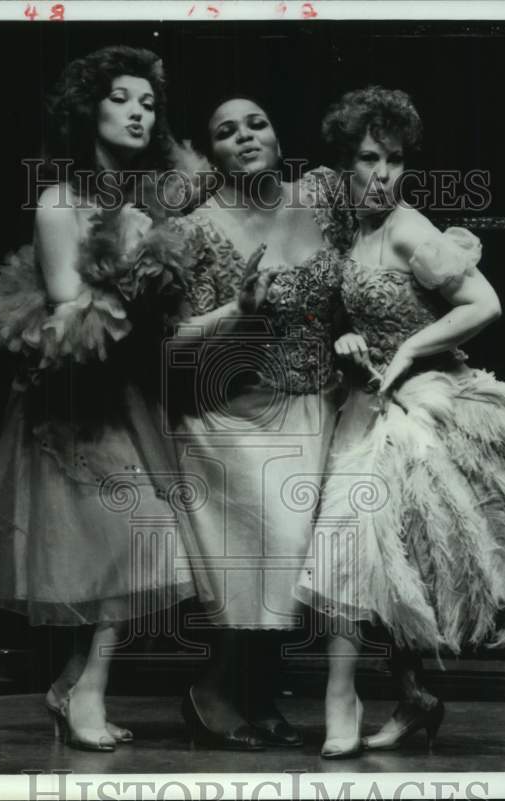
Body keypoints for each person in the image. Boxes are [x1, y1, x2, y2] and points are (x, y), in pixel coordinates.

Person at [295, 86, 505, 758]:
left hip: (423, 398)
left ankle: (344, 696)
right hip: (365, 399)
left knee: (364, 539)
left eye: (395, 160)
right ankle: (409, 695)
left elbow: (483, 304)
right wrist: (348, 343)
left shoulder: (409, 228)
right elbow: (342, 315)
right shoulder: (349, 231)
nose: (383, 174)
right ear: (345, 163)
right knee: (374, 551)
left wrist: (406, 350)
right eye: (369, 159)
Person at [0, 45, 198, 752]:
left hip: (130, 392)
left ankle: (78, 683)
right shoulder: (61, 202)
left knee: (139, 539)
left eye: (148, 104)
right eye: (122, 100)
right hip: (73, 399)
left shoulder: (146, 205)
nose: (138, 114)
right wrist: (140, 260)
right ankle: (81, 686)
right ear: (90, 110)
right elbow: (68, 304)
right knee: (114, 542)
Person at [159, 95, 347, 750]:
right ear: (212, 154)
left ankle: (256, 695)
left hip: (316, 405)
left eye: (257, 123)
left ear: (277, 135)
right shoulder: (197, 229)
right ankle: (211, 691)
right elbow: (172, 343)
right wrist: (237, 311)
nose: (244, 136)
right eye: (225, 131)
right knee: (271, 553)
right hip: (235, 416)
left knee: (290, 568)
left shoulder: (321, 198)